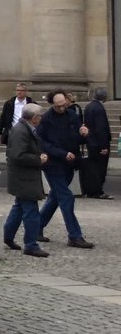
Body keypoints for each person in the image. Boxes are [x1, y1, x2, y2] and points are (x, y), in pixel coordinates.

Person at [35, 90, 95, 249]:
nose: (62, 108)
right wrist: (62, 154)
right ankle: (75, 236)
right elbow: (42, 143)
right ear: (52, 104)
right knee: (66, 197)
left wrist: (84, 134)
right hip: (53, 164)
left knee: (56, 197)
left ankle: (36, 228)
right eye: (58, 106)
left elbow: (77, 138)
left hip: (70, 163)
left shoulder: (72, 115)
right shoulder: (46, 119)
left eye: (64, 105)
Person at [3, 103, 50, 257]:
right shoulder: (21, 130)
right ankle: (31, 244)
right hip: (23, 177)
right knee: (31, 211)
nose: (41, 118)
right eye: (40, 116)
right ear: (34, 118)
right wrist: (38, 159)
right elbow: (18, 155)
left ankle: (7, 237)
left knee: (19, 208)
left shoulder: (24, 128)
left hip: (23, 177)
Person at [81, 88, 112, 199]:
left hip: (91, 142)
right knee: (100, 169)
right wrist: (103, 146)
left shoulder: (89, 106)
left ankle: (91, 190)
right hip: (99, 143)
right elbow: (101, 128)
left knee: (93, 168)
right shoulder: (99, 108)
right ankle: (97, 191)